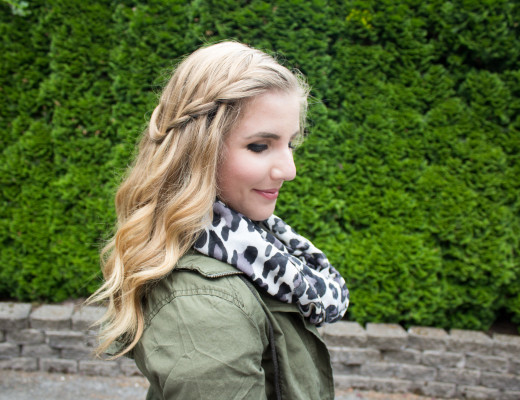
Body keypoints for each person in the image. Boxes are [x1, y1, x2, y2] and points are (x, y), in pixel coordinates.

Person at [89, 41, 349, 400]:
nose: (289, 170)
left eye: (291, 143)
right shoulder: (207, 303)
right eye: (260, 146)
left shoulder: (254, 246)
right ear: (197, 149)